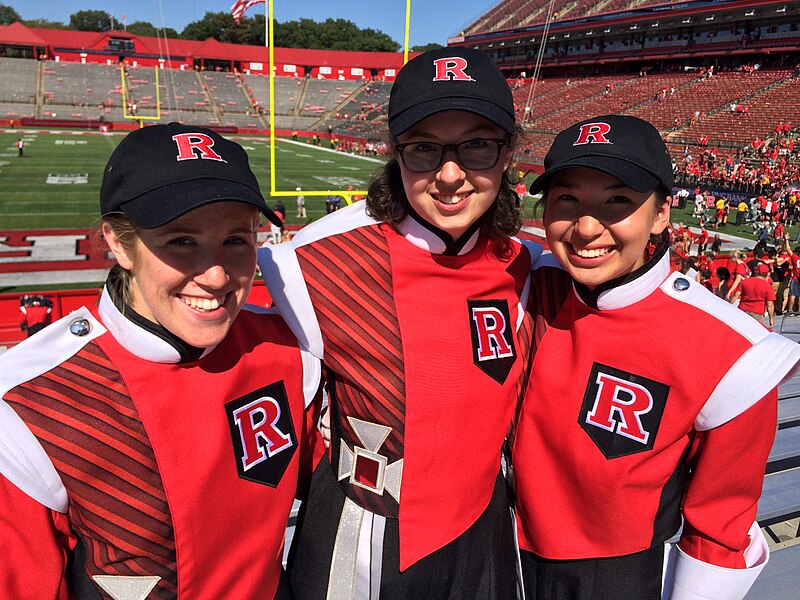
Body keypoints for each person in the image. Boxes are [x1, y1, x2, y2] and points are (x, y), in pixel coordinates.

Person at [259, 46, 557, 599]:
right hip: (366, 532)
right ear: (395, 154)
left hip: (485, 528)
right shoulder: (311, 263)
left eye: (476, 146)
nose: (450, 175)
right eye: (423, 149)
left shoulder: (526, 264)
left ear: (507, 153)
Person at [0, 123, 322, 599]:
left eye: (236, 239)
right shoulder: (30, 402)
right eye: (181, 241)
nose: (215, 276)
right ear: (116, 242)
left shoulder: (290, 350)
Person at [512, 115, 800, 599]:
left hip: (618, 578)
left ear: (663, 213)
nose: (585, 228)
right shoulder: (533, 283)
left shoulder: (735, 353)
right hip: (496, 552)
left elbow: (720, 530)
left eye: (617, 201)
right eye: (567, 200)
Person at [733, 263, 776, 329]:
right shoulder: (768, 286)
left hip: (743, 310)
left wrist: (728, 304)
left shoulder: (745, 281)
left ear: (756, 272)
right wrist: (771, 319)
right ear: (767, 274)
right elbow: (770, 304)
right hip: (757, 312)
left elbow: (736, 294)